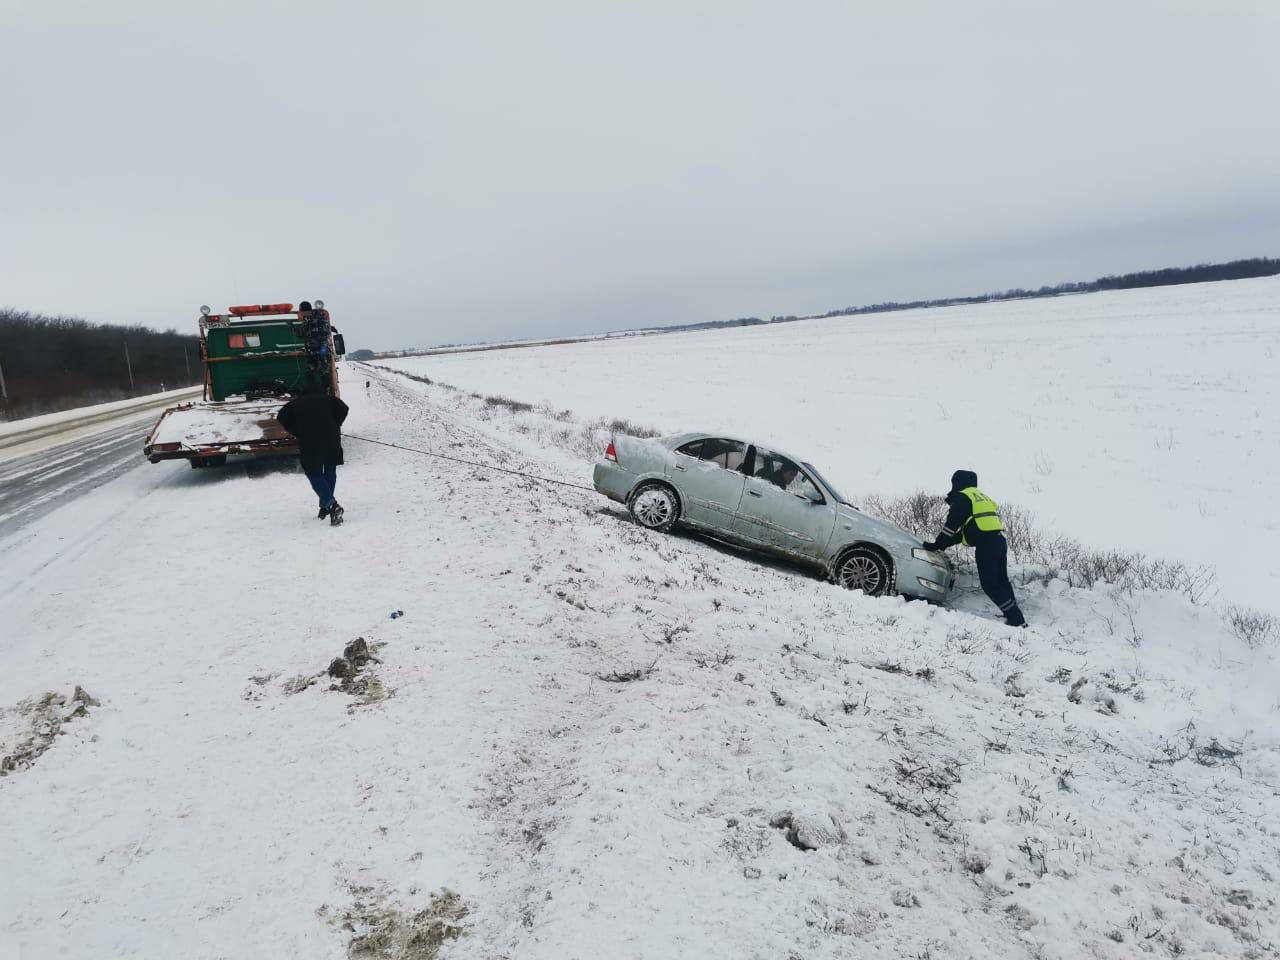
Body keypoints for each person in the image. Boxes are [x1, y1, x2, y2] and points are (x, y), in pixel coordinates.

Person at [922, 470, 1026, 627]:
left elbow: (950, 528)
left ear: (957, 483)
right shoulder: (981, 497)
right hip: (999, 541)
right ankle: (1012, 613)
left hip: (987, 545)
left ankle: (1016, 619)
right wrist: (942, 545)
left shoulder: (963, 498)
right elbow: (966, 532)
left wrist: (936, 544)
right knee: (1001, 581)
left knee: (990, 584)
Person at [277, 384, 350, 525]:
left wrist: (297, 431)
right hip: (331, 440)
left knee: (313, 472)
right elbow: (344, 409)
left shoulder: (296, 404)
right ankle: (325, 506)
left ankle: (332, 505)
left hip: (310, 442)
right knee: (330, 471)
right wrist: (336, 423)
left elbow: (281, 417)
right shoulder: (329, 399)